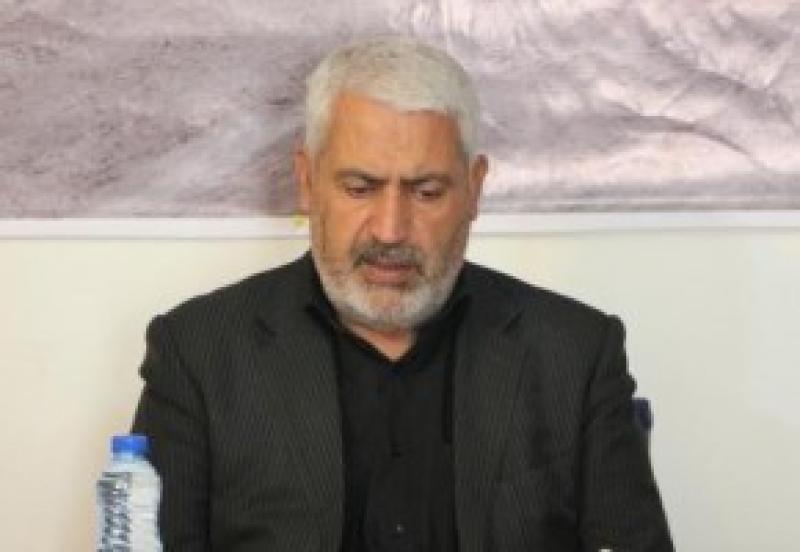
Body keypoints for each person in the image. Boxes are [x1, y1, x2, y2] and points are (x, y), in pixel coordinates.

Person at [132, 37, 674, 552]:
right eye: (360, 188)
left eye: (427, 192)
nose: (390, 230)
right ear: (307, 181)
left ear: (474, 189)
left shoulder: (576, 354)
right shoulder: (198, 354)